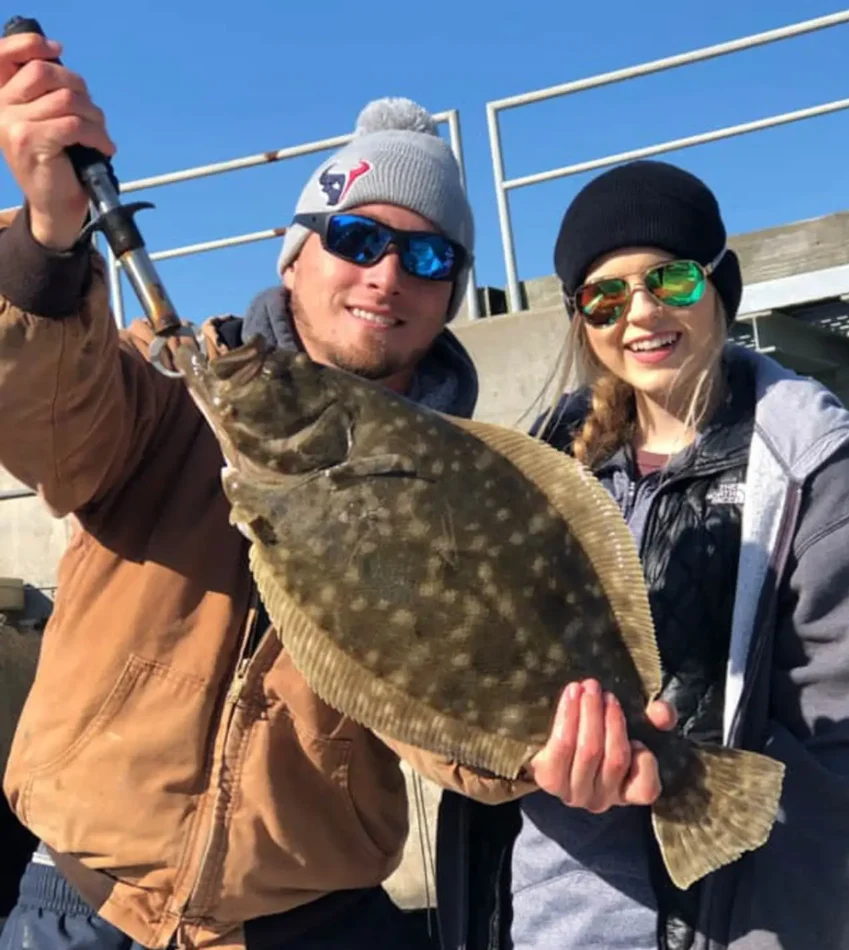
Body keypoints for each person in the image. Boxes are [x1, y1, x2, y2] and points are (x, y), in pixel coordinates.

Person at [0, 30, 672, 950]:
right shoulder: (160, 395)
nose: (387, 274)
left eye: (429, 259)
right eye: (356, 237)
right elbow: (40, 417)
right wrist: (46, 241)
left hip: (314, 924)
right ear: (294, 257)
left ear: (451, 295)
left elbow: (445, 729)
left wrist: (546, 757)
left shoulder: (464, 485)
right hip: (83, 907)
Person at [426, 160, 849, 950]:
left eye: (673, 280)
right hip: (545, 917)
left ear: (720, 285)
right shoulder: (540, 468)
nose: (642, 312)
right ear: (582, 318)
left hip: (737, 926)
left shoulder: (822, 475)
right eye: (606, 297)